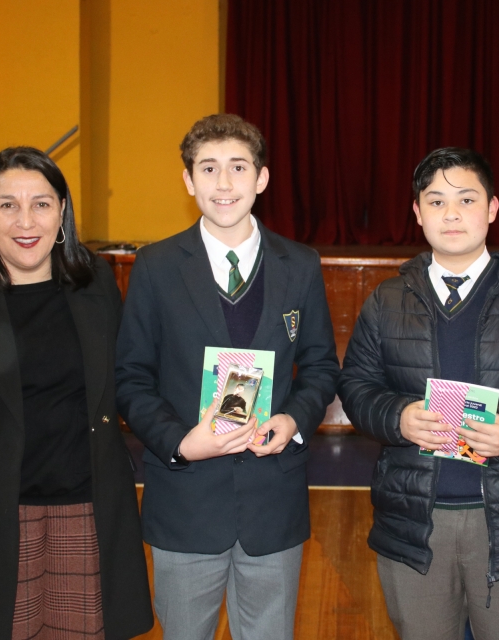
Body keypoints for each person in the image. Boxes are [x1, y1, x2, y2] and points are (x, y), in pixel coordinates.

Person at [338, 147, 499, 640]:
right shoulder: (386, 299)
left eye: (466, 199)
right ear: (416, 213)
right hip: (415, 522)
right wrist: (397, 417)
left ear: (492, 209)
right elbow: (356, 385)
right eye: (435, 201)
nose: (451, 214)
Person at [115, 114, 339, 640]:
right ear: (188, 181)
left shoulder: (300, 264)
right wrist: (179, 442)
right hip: (186, 501)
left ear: (261, 178)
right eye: (208, 168)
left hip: (272, 501)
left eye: (238, 168)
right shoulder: (155, 266)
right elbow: (130, 377)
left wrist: (293, 419)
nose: (223, 183)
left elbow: (322, 365)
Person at [0, 147, 153, 639]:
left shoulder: (95, 284)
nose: (26, 221)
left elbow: (131, 379)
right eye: (8, 205)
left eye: (41, 204)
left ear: (62, 211)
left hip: (86, 508)